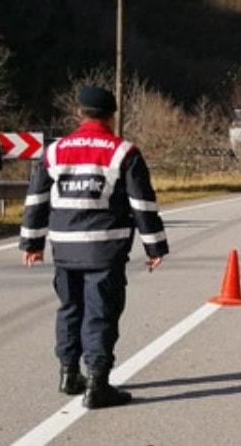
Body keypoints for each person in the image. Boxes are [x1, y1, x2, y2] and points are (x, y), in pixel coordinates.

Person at [20, 86, 169, 409]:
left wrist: (32, 242)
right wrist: (155, 246)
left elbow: (36, 199)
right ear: (112, 115)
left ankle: (69, 374)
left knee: (70, 309)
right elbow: (142, 203)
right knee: (101, 313)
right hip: (104, 249)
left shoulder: (55, 150)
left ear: (79, 113)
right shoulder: (123, 152)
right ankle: (98, 383)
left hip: (64, 248)